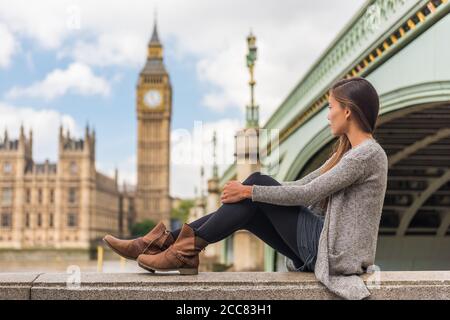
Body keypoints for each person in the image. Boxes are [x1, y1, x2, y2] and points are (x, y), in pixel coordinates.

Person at [103, 76, 388, 300]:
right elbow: (301, 184)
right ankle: (172, 245)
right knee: (250, 205)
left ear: (347, 111)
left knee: (257, 183)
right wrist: (250, 193)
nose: (328, 115)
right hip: (324, 248)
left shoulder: (367, 155)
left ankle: (175, 246)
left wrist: (249, 191)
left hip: (331, 254)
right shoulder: (348, 153)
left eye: (331, 108)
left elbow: (307, 195)